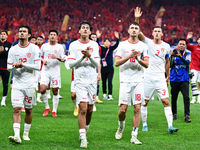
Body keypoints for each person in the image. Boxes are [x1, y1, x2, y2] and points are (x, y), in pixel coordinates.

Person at [135, 7, 178, 133]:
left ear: (162, 34)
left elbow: (167, 62)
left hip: (160, 78)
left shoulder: (166, 46)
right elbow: (138, 33)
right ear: (152, 34)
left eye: (159, 31)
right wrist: (137, 18)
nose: (158, 33)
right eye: (155, 31)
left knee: (165, 101)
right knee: (145, 102)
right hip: (148, 77)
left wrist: (167, 76)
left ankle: (170, 126)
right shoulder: (148, 42)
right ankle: (144, 124)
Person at [115, 21, 149, 145]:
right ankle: (121, 126)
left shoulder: (143, 46)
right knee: (123, 110)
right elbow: (117, 63)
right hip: (125, 80)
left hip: (138, 80)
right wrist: (130, 56)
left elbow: (146, 64)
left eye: (136, 28)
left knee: (137, 108)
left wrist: (138, 59)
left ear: (139, 31)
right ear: (128, 31)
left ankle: (134, 135)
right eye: (132, 28)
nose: (134, 30)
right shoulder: (122, 45)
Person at [68, 21, 100, 148]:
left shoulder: (95, 45)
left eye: (87, 28)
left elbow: (96, 64)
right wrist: (82, 57)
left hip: (92, 80)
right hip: (80, 80)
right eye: (83, 28)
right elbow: (70, 64)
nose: (85, 30)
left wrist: (89, 55)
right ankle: (83, 138)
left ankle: (85, 130)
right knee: (83, 108)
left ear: (90, 31)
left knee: (90, 109)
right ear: (79, 31)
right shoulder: (74, 45)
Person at [7, 25, 41, 143]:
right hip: (17, 84)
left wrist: (22, 64)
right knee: (16, 109)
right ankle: (17, 135)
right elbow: (8, 67)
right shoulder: (13, 49)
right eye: (20, 31)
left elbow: (37, 66)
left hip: (29, 84)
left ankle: (26, 133)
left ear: (29, 35)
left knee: (28, 110)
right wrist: (13, 66)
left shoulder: (34, 48)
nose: (21, 33)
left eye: (24, 31)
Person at [40, 29, 65, 117]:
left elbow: (64, 58)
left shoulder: (60, 47)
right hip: (45, 71)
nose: (52, 36)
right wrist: (43, 60)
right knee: (42, 89)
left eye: (54, 34)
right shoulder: (44, 46)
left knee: (55, 91)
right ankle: (47, 107)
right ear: (48, 36)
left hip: (55, 72)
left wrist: (56, 57)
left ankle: (54, 110)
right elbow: (39, 56)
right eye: (51, 34)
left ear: (57, 37)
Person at [170, 39, 191, 122]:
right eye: (180, 44)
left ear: (185, 46)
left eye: (183, 44)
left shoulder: (188, 53)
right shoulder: (173, 53)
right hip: (174, 79)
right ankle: (174, 114)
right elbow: (170, 65)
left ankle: (187, 115)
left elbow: (187, 63)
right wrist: (171, 56)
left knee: (186, 97)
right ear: (177, 45)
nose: (182, 45)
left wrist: (181, 57)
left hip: (184, 79)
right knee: (174, 98)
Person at [96, 30, 119, 100]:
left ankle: (110, 95)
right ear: (104, 43)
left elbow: (117, 45)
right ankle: (104, 94)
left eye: (108, 42)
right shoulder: (102, 48)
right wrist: (97, 37)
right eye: (105, 41)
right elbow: (97, 44)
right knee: (103, 82)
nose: (106, 43)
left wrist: (117, 38)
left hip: (110, 68)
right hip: (103, 68)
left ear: (110, 43)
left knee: (109, 81)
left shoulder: (111, 49)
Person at [186, 32, 200, 104]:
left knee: (199, 83)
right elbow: (186, 45)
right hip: (193, 68)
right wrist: (187, 39)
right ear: (197, 40)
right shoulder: (194, 47)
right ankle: (193, 98)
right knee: (193, 83)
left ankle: (199, 99)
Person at [89, 33, 103, 104]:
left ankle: (96, 97)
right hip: (88, 66)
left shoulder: (98, 47)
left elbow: (98, 58)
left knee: (97, 81)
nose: (94, 38)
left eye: (95, 37)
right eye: (92, 37)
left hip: (96, 65)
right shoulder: (87, 46)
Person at [0, 30, 12, 106]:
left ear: (7, 36)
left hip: (5, 67)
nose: (2, 35)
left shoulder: (9, 45)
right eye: (1, 34)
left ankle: (3, 100)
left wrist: (3, 51)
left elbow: (10, 56)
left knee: (5, 84)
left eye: (4, 34)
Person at [35, 36, 44, 103]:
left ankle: (38, 97)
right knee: (33, 83)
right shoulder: (34, 48)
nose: (39, 41)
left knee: (40, 83)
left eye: (40, 40)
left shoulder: (44, 48)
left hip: (41, 68)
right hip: (34, 68)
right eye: (38, 39)